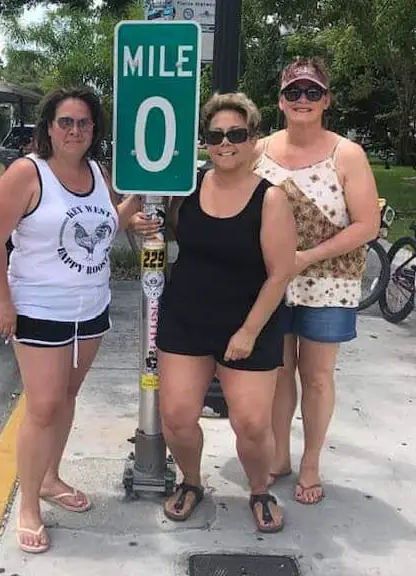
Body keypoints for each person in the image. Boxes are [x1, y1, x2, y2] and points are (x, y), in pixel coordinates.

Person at [0, 87, 159, 553]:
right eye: (66, 122)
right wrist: (2, 301)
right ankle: (28, 506)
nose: (75, 130)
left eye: (83, 123)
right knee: (41, 407)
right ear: (49, 127)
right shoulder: (27, 173)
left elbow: (101, 229)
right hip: (39, 309)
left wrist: (130, 217)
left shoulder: (99, 173)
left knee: (67, 397)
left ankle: (50, 478)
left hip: (91, 309)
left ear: (93, 130)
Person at [153, 92, 296, 533]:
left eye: (237, 133)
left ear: (253, 139)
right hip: (186, 318)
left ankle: (259, 489)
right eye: (215, 135)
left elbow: (280, 274)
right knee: (176, 416)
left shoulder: (271, 199)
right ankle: (191, 482)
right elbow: (169, 235)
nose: (225, 142)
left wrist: (249, 332)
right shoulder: (188, 188)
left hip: (248, 325)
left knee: (252, 425)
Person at [253, 57, 380, 504]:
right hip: (272, 281)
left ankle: (311, 462)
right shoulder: (259, 150)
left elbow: (366, 223)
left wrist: (306, 256)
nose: (302, 100)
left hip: (329, 279)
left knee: (318, 374)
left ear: (327, 100)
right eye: (293, 92)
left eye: (312, 92)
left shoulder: (347, 153)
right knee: (278, 369)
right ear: (280, 100)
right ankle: (278, 455)